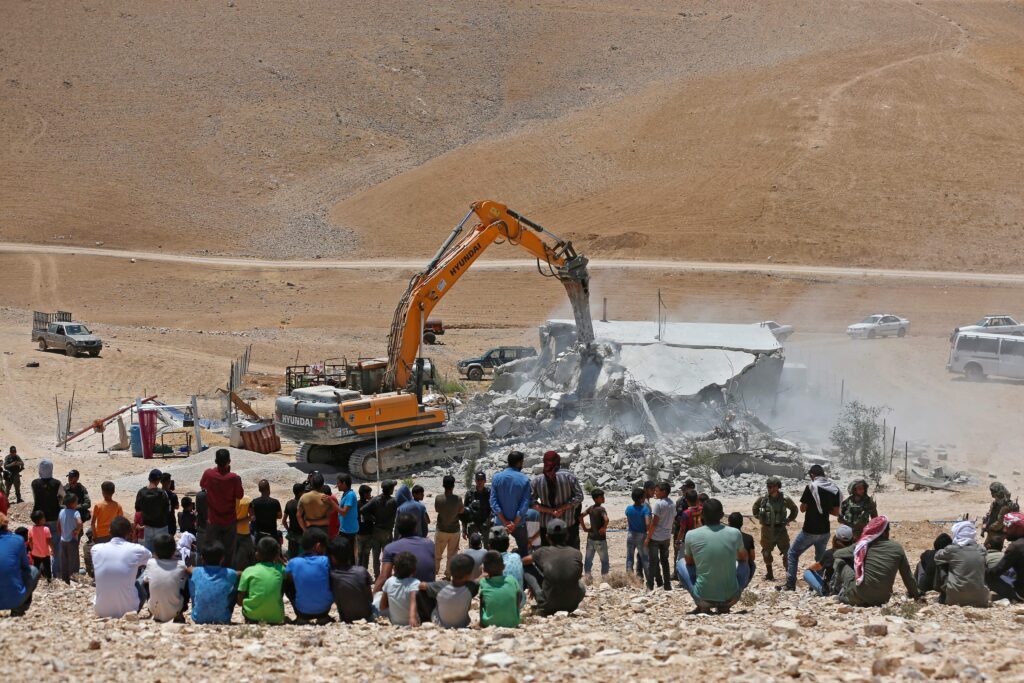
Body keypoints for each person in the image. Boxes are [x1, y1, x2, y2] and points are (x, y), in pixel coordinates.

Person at [677, 499, 748, 614]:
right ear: (721, 515)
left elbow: (689, 562)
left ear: (702, 515)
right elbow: (743, 557)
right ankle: (729, 601)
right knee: (746, 563)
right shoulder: (735, 533)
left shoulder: (691, 535)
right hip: (729, 598)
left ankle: (703, 605)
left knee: (681, 562)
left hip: (703, 598)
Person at [832, 515, 920, 606]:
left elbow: (837, 554)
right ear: (886, 532)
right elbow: (907, 576)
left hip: (859, 595)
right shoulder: (897, 548)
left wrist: (856, 555)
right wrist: (916, 594)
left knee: (838, 562)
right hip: (883, 599)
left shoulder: (864, 545)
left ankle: (838, 592)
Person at [783, 465, 841, 591]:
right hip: (825, 530)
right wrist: (824, 509)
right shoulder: (834, 489)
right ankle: (817, 586)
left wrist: (813, 506)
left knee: (792, 554)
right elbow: (836, 512)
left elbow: (802, 509)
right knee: (820, 559)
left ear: (813, 475)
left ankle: (790, 584)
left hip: (810, 529)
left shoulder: (811, 487)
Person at [92, 516, 153, 618]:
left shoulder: (96, 549)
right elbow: (152, 561)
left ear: (109, 531)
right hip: (129, 610)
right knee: (145, 572)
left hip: (101, 611)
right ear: (129, 532)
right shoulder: (138, 549)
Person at [529, 519, 585, 615]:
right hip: (571, 605)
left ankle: (540, 601)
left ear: (547, 537)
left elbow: (524, 561)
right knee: (580, 585)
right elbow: (578, 575)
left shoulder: (542, 552)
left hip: (547, 605)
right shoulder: (576, 553)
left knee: (529, 572)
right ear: (567, 536)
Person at [199, 449, 244, 566]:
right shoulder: (234, 478)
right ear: (229, 461)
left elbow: (203, 484)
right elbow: (240, 495)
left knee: (210, 551)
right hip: (229, 521)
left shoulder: (208, 474)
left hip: (213, 520)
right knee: (229, 552)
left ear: (215, 461)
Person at [532, 450, 584, 549]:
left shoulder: (537, 480)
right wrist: (562, 508)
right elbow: (579, 497)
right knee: (570, 553)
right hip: (567, 524)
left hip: (547, 525)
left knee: (548, 556)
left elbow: (531, 503)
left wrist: (550, 511)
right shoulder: (569, 476)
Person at [374, 512, 437, 592]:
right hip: (428, 597)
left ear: (398, 529)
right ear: (415, 528)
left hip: (404, 597)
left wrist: (373, 601)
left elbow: (384, 577)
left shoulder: (390, 548)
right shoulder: (429, 544)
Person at [412, 552, 478, 629]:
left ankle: (425, 621)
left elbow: (421, 585)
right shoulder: (472, 587)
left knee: (421, 593)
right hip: (463, 624)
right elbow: (479, 581)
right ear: (468, 575)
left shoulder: (441, 586)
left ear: (450, 570)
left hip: (440, 624)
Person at [752, 476, 798, 581]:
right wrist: (761, 518)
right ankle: (770, 574)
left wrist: (789, 519)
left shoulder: (785, 499)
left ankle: (789, 575)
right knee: (766, 552)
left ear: (777, 487)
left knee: (787, 553)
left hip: (781, 530)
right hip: (767, 530)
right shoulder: (763, 499)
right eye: (768, 486)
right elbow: (755, 508)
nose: (769, 488)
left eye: (771, 486)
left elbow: (794, 509)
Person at [933, 520, 989, 607]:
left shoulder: (951, 550)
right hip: (981, 599)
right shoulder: (981, 550)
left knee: (941, 563)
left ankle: (942, 594)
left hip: (954, 599)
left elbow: (937, 556)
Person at [285, 527, 333, 623]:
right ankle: (323, 617)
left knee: (286, 582)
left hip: (302, 612)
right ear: (318, 546)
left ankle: (300, 618)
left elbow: (289, 581)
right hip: (324, 611)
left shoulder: (293, 562)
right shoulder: (326, 561)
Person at [491, 451, 533, 553]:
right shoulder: (524, 479)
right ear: (519, 463)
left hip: (500, 523)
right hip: (519, 524)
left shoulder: (496, 477)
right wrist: (514, 523)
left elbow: (493, 502)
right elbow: (525, 503)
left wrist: (505, 522)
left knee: (497, 552)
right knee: (524, 550)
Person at [238, 536, 286, 625]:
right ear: (276, 555)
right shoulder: (280, 569)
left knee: (245, 587)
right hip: (276, 618)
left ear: (257, 554)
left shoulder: (249, 570)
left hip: (252, 617)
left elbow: (240, 602)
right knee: (285, 582)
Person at [0, 512, 40, 616]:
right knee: (33, 570)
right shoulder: (17, 540)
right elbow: (25, 568)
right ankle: (19, 609)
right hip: (15, 598)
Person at [142, 533, 188, 622]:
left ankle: (154, 609)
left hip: (154, 609)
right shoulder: (181, 565)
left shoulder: (151, 563)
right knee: (187, 581)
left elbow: (145, 581)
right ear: (174, 550)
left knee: (146, 581)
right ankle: (179, 613)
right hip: (176, 609)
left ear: (155, 551)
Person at [188, 542, 237, 625]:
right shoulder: (230, 573)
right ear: (222, 559)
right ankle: (225, 611)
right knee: (235, 585)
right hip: (223, 618)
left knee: (191, 580)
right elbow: (238, 573)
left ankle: (197, 608)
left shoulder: (196, 571)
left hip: (198, 618)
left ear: (202, 558)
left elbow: (188, 569)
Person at [31, 459, 65, 577]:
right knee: (56, 546)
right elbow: (62, 497)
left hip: (39, 518)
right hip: (54, 518)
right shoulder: (57, 483)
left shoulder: (35, 483)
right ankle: (56, 573)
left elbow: (35, 498)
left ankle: (42, 571)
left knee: (40, 545)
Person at [328, 536, 373, 623]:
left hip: (346, 617)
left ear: (332, 557)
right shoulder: (362, 571)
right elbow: (370, 598)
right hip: (367, 616)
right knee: (378, 595)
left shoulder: (332, 575)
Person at [804, 525, 853, 596]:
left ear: (835, 539)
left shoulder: (829, 554)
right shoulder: (854, 553)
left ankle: (823, 592)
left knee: (807, 573)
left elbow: (817, 566)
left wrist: (809, 568)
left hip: (832, 590)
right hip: (850, 588)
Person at [362, 480, 398, 576]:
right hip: (387, 532)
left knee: (375, 555)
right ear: (390, 490)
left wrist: (372, 518)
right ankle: (386, 575)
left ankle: (377, 575)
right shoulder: (394, 501)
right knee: (387, 555)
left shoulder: (376, 500)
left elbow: (363, 510)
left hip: (376, 530)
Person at [986, 512, 1024, 602]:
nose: (1004, 530)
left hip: (1021, 593)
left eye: (1008, 526)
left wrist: (982, 570)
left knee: (987, 576)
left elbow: (996, 572)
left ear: (1018, 528)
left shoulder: (1016, 546)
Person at [479, 550, 521, 627]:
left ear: (484, 569)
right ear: (504, 566)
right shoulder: (512, 579)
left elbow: (482, 604)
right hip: (513, 622)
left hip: (488, 623)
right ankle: (513, 615)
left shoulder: (483, 582)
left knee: (483, 596)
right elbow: (519, 597)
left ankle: (482, 622)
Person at [645, 482, 675, 591]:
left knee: (653, 562)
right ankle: (667, 585)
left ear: (664, 492)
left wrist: (648, 537)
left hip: (656, 537)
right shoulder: (672, 503)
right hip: (666, 537)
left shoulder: (659, 504)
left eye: (657, 491)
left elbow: (654, 523)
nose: (655, 493)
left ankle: (650, 586)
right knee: (665, 561)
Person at [434, 475, 464, 580]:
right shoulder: (458, 499)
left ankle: (435, 572)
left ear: (443, 485)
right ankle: (448, 575)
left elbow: (437, 509)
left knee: (437, 554)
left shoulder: (438, 498)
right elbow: (461, 511)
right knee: (452, 555)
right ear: (453, 486)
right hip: (454, 530)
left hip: (441, 530)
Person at [381, 551, 421, 626]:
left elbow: (382, 605)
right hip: (411, 622)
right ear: (414, 570)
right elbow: (413, 600)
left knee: (378, 595)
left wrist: (384, 614)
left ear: (394, 568)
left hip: (395, 621)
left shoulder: (389, 581)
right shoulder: (415, 583)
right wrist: (412, 618)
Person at [135, 469, 170, 553]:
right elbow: (167, 510)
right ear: (159, 480)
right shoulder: (162, 493)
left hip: (148, 527)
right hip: (161, 527)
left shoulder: (141, 492)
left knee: (149, 553)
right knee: (162, 552)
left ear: (149, 478)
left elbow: (137, 509)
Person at [488, 526, 524, 601]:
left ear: (489, 546)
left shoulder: (490, 564)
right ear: (508, 545)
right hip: (519, 602)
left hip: (500, 605)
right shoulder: (517, 557)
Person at [580, 488, 609, 579]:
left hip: (591, 538)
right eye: (601, 497)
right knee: (604, 560)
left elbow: (580, 516)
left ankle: (587, 577)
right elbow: (606, 519)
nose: (603, 498)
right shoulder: (601, 509)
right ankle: (604, 578)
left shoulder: (591, 508)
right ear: (596, 499)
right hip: (600, 539)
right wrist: (604, 527)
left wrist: (584, 528)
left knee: (588, 559)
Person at [625, 487, 651, 581]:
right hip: (641, 535)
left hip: (631, 534)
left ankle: (630, 579)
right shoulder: (645, 510)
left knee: (629, 557)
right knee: (645, 558)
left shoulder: (628, 508)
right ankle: (649, 580)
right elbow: (648, 523)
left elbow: (628, 520)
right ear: (641, 499)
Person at [674, 489, 704, 569]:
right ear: (697, 499)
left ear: (687, 500)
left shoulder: (686, 513)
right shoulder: (702, 509)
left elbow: (682, 530)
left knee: (680, 560)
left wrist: (678, 541)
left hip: (688, 539)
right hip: (701, 538)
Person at [57, 493, 83, 583]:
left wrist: (61, 534)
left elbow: (58, 526)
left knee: (64, 561)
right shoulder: (76, 512)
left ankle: (65, 580)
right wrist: (77, 530)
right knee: (74, 561)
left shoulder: (61, 512)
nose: (77, 504)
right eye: (76, 502)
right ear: (72, 503)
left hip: (63, 540)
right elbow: (80, 523)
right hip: (72, 540)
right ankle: (74, 580)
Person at [983, 482, 1017, 547]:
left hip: (998, 532)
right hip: (995, 530)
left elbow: (999, 523)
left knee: (989, 547)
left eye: (993, 492)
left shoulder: (1005, 506)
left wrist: (989, 527)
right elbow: (991, 512)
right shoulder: (997, 502)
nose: (992, 494)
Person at [461, 471, 492, 539]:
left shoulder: (489, 493)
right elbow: (464, 512)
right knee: (473, 546)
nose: (479, 482)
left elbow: (493, 509)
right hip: (473, 524)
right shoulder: (470, 493)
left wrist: (490, 520)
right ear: (475, 480)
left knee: (488, 546)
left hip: (486, 523)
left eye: (482, 480)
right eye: (478, 479)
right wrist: (464, 529)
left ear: (485, 481)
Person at [728, 512, 756, 588]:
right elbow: (752, 557)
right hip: (742, 571)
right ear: (742, 523)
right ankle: (744, 585)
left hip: (726, 571)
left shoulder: (723, 537)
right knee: (752, 564)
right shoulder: (748, 537)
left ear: (729, 523)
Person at [336, 474, 359, 558]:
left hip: (349, 530)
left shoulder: (350, 495)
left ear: (344, 483)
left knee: (348, 555)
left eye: (338, 483)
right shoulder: (346, 494)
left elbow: (344, 512)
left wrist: (331, 503)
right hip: (345, 529)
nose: (337, 485)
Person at [28, 510, 52, 582]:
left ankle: (34, 580)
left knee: (36, 567)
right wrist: (53, 549)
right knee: (47, 567)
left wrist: (32, 549)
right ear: (41, 519)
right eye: (43, 517)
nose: (45, 519)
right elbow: (49, 541)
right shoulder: (46, 529)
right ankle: (49, 580)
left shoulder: (30, 529)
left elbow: (30, 541)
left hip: (35, 553)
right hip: (45, 553)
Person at [283, 483, 305, 560]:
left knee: (292, 558)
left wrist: (288, 529)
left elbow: (284, 521)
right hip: (302, 534)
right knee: (302, 558)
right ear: (300, 492)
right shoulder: (303, 504)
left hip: (292, 534)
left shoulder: (289, 503)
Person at [234, 494, 256, 570]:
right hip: (244, 533)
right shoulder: (248, 499)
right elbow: (252, 517)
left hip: (231, 533)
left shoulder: (228, 499)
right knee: (249, 559)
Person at [356, 484, 375, 570]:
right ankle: (364, 572)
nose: (370, 495)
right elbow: (373, 517)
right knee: (366, 555)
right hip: (368, 533)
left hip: (359, 532)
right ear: (364, 494)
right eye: (369, 493)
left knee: (359, 554)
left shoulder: (356, 504)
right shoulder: (369, 505)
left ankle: (358, 572)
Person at [160, 473, 179, 538]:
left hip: (160, 522)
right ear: (169, 482)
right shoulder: (173, 495)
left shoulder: (157, 493)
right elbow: (177, 507)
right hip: (170, 522)